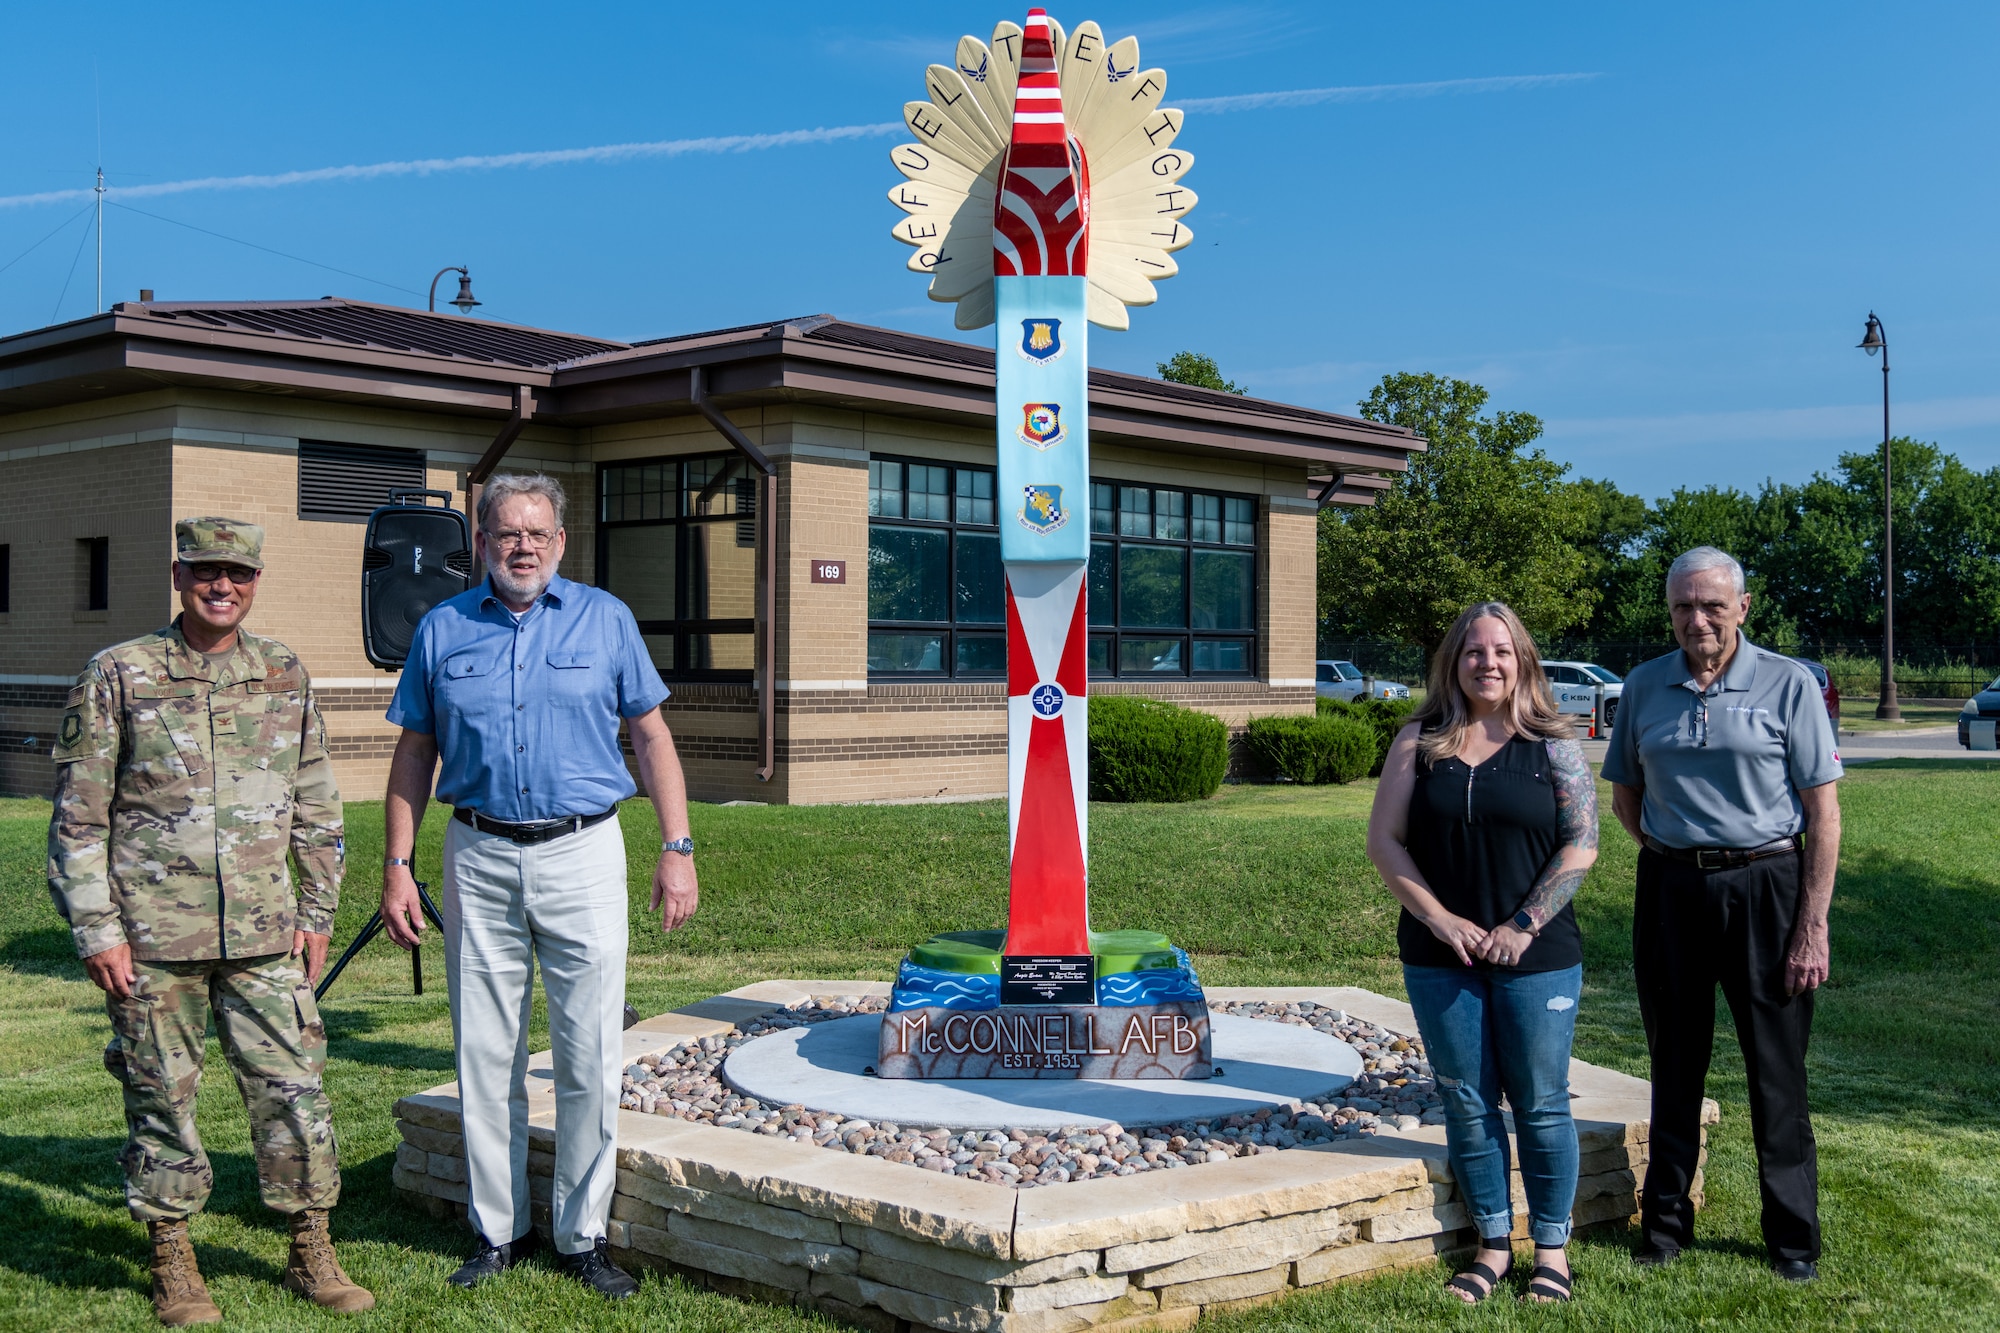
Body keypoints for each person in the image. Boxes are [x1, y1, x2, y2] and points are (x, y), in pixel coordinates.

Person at [46, 518, 374, 1326]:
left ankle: (310, 1247)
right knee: (161, 1097)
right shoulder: (119, 673)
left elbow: (318, 803)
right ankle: (173, 1258)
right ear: (178, 573)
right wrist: (98, 929)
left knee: (296, 1091)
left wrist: (319, 907)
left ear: (256, 578)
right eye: (205, 570)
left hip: (267, 934)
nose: (221, 585)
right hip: (155, 938)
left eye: (237, 571)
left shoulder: (282, 671)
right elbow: (78, 821)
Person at [380, 473, 699, 1300]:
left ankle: (581, 1235)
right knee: (485, 1050)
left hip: (584, 851)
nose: (522, 546)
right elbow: (414, 751)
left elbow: (652, 736)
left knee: (590, 1051)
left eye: (538, 533)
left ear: (561, 544)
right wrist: (396, 865)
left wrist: (678, 845)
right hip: (477, 855)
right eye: (506, 532)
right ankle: (498, 1230)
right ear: (481, 542)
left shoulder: (607, 619)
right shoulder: (442, 628)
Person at [1603, 546, 1839, 1282]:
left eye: (1711, 605)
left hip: (1768, 885)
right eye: (1682, 606)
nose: (1696, 619)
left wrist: (1811, 924)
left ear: (1742, 607)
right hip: (1672, 889)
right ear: (1669, 610)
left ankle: (1792, 1239)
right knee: (1674, 1063)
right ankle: (1666, 1227)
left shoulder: (1787, 682)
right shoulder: (1644, 685)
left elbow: (1823, 816)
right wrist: (1681, 855)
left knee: (1777, 1071)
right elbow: (1625, 796)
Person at [1367, 601, 1598, 1306]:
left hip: (1539, 954)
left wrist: (1523, 923)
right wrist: (1440, 920)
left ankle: (1552, 1251)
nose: (1487, 663)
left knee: (1542, 1100)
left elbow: (1581, 842)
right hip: (1442, 956)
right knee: (1467, 1102)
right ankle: (1494, 1245)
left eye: (1501, 651)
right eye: (1473, 651)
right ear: (1453, 661)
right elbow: (1385, 841)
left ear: (1522, 659)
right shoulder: (1419, 740)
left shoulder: (1554, 741)